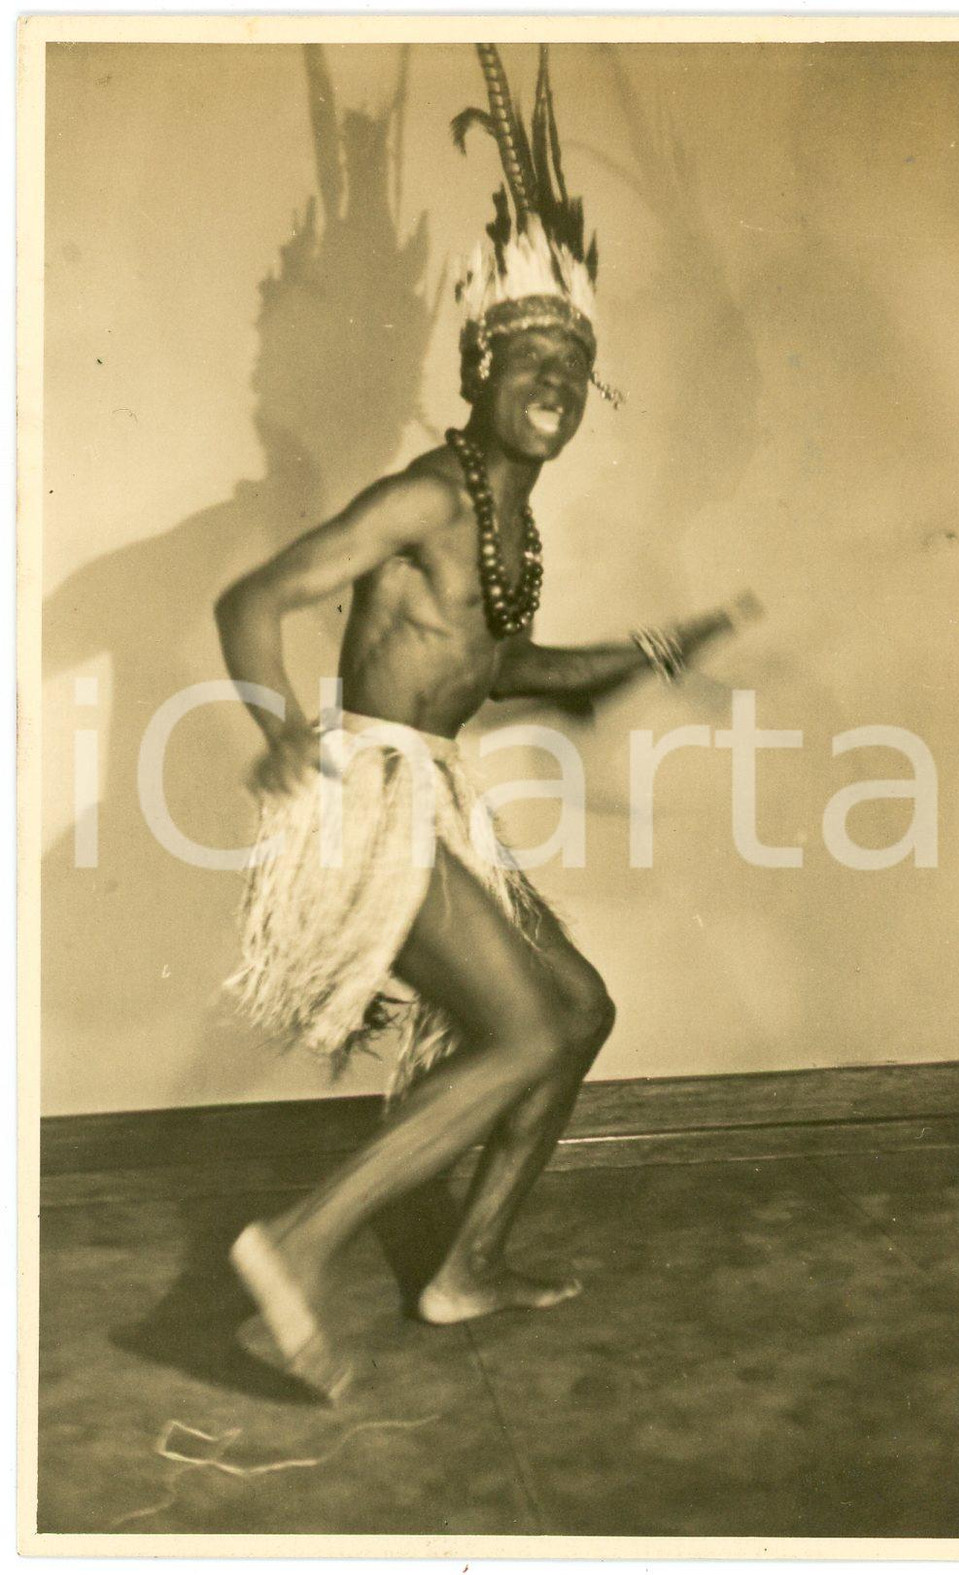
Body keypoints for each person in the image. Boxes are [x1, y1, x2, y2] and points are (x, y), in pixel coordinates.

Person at [215, 44, 759, 1399]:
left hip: (435, 792)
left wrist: (636, 654)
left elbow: (493, 665)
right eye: (530, 362)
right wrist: (281, 719)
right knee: (519, 1030)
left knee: (573, 1012)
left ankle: (463, 1272)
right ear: (482, 366)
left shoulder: (513, 520)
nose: (553, 390)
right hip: (372, 804)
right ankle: (293, 1246)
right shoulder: (428, 495)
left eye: (571, 373)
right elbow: (254, 594)